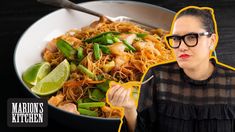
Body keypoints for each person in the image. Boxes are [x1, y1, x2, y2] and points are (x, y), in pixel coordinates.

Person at [107, 6, 235, 132]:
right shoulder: (157, 76)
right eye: (176, 38)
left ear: (211, 41)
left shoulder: (232, 81)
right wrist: (129, 108)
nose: (181, 47)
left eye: (191, 37)